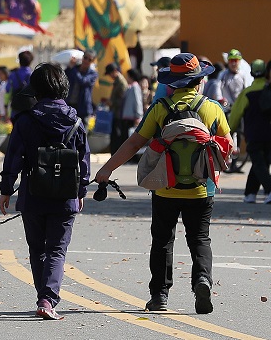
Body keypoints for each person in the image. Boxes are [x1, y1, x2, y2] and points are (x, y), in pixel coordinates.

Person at [95, 53, 233, 314]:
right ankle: (202, 280)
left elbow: (134, 143)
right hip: (202, 188)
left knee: (162, 241)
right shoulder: (211, 108)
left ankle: (159, 296)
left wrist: (105, 170)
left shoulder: (160, 107)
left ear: (172, 83)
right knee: (200, 238)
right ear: (198, 81)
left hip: (164, 186)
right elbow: (228, 146)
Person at [0, 63, 90, 320]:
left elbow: (13, 157)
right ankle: (47, 299)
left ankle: (44, 298)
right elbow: (84, 160)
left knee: (37, 249)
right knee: (57, 251)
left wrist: (6, 189)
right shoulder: (76, 122)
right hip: (66, 196)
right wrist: (81, 191)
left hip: (33, 194)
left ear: (36, 91)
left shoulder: (26, 121)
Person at [228, 59, 271, 204]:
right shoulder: (269, 89)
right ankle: (250, 194)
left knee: (259, 163)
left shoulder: (247, 93)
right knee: (261, 163)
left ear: (252, 73)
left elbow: (235, 116)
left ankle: (269, 190)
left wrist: (228, 133)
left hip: (254, 134)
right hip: (269, 135)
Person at [65, 49, 99, 130]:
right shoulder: (74, 68)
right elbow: (64, 77)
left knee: (81, 134)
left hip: (82, 109)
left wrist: (73, 69)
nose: (86, 61)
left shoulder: (93, 73)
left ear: (92, 61)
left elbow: (82, 81)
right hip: (70, 105)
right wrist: (70, 67)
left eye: (89, 59)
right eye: (85, 58)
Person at [104, 62, 128, 155]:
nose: (110, 76)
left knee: (117, 135)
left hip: (119, 113)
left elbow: (122, 100)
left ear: (114, 71)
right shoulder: (117, 81)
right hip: (115, 112)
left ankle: (116, 154)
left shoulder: (121, 82)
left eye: (110, 74)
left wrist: (111, 103)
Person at [7, 50, 34, 120]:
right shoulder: (33, 75)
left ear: (19, 61)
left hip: (16, 109)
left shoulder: (13, 74)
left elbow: (7, 90)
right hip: (29, 109)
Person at [121, 69, 144, 143]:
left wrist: (138, 116)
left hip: (132, 118)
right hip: (127, 117)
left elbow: (138, 102)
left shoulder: (135, 87)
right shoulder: (130, 87)